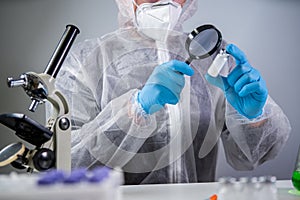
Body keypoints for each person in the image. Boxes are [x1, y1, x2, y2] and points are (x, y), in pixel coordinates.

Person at [48, 0, 291, 184]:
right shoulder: (85, 63)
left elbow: (256, 155)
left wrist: (254, 117)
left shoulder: (214, 59)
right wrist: (135, 110)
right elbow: (64, 162)